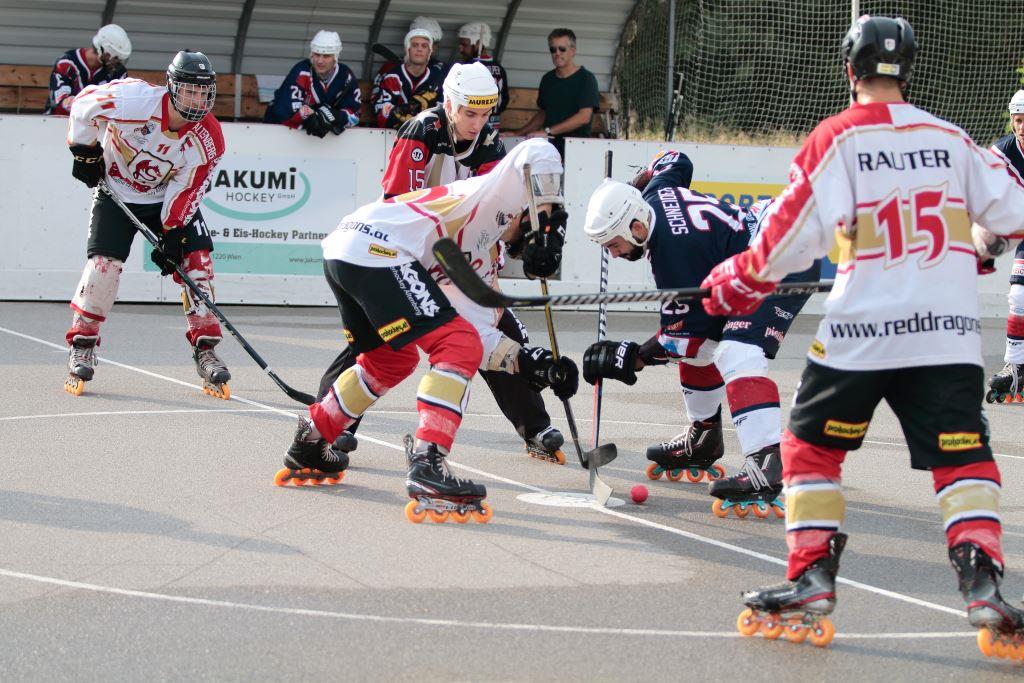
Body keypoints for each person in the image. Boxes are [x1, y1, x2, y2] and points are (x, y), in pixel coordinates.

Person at [700, 16, 1024, 654]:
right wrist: (982, 243)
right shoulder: (953, 138)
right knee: (963, 459)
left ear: (851, 71)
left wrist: (736, 281)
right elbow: (1014, 209)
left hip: (863, 331)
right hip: (949, 334)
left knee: (808, 450)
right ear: (911, 71)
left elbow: (784, 243)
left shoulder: (836, 139)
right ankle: (983, 583)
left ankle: (811, 578)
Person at [273, 139, 574, 524]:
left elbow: (479, 336)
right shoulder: (496, 194)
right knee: (455, 346)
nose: (521, 234)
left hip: (348, 249)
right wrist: (549, 221)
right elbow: (538, 150)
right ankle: (428, 462)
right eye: (525, 229)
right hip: (376, 249)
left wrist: (532, 363)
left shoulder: (479, 258)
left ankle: (311, 440)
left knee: (389, 361)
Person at [311, 62, 571, 467]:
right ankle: (336, 425)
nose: (478, 123)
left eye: (486, 114)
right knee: (375, 345)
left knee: (493, 326)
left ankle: (534, 425)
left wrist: (531, 237)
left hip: (453, 247)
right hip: (406, 245)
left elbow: (493, 217)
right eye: (470, 112)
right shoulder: (422, 131)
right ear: (449, 104)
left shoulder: (488, 141)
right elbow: (399, 199)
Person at [580, 151, 818, 518]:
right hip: (761, 244)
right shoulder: (654, 195)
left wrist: (628, 357)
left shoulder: (672, 256)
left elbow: (679, 339)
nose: (614, 254)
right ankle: (704, 437)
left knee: (737, 351)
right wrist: (638, 183)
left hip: (780, 252)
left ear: (637, 229)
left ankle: (766, 464)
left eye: (614, 244)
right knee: (706, 345)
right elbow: (676, 160)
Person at [63, 50, 231, 401]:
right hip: (117, 191)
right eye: (189, 91)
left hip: (164, 198)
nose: (197, 100)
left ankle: (206, 349)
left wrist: (172, 233)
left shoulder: (208, 137)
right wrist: (85, 150)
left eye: (203, 93)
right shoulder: (133, 99)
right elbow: (83, 105)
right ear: (171, 87)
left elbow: (188, 188)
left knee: (197, 264)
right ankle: (83, 342)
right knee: (103, 267)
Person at [503, 28, 599, 158]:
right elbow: (543, 114)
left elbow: (584, 117)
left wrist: (547, 131)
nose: (557, 53)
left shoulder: (587, 78)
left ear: (573, 51)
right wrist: (517, 133)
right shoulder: (547, 79)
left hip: (576, 150)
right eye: (553, 49)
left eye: (562, 49)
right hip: (548, 150)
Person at [985, 89, 1024, 403]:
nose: (1022, 127)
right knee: (1019, 294)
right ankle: (1015, 365)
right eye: (1018, 120)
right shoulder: (1002, 152)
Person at [263, 30, 361, 137]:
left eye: (326, 56)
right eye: (317, 54)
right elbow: (285, 110)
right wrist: (313, 117)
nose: (320, 61)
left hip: (322, 142)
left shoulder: (346, 75)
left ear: (335, 57)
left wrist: (336, 117)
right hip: (278, 133)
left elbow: (354, 115)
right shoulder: (302, 71)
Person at [45, 24, 131, 116]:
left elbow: (122, 104)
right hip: (58, 123)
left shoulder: (119, 73)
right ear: (103, 50)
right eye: (115, 57)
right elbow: (62, 102)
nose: (117, 63)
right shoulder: (67, 63)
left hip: (99, 127)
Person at [372, 28, 445, 129]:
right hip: (394, 136)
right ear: (407, 49)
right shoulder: (393, 77)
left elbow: (445, 116)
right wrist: (407, 109)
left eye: (424, 46)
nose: (419, 49)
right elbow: (383, 116)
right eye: (415, 45)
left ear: (429, 51)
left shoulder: (438, 78)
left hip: (428, 137)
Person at [456, 22, 509, 131]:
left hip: (472, 127)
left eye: (465, 45)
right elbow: (505, 100)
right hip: (494, 127)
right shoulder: (499, 68)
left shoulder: (467, 68)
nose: (461, 49)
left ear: (479, 43)